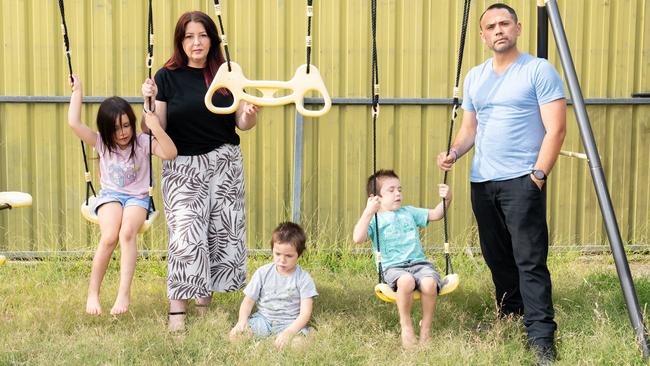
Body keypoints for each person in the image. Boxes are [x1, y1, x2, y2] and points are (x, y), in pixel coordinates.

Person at [436, 3, 566, 362]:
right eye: (491, 26)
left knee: (529, 260)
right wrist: (454, 152)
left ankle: (541, 339)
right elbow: (469, 130)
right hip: (483, 182)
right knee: (497, 258)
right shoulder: (475, 77)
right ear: (482, 35)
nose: (498, 30)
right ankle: (510, 319)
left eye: (504, 23)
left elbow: (556, 129)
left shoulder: (538, 70)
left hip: (522, 181)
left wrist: (537, 176)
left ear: (518, 28)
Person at [141, 11, 260, 332]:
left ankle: (205, 305)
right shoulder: (166, 77)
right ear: (181, 41)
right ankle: (177, 311)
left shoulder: (227, 73)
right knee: (186, 237)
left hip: (224, 163)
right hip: (182, 166)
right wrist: (148, 102)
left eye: (202, 35)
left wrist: (249, 112)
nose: (196, 42)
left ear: (212, 39)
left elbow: (242, 124)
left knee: (220, 234)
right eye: (189, 36)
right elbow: (156, 128)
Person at [67, 74, 177, 316]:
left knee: (127, 232)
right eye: (116, 128)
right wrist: (78, 92)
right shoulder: (102, 144)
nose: (123, 133)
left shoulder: (142, 142)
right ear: (107, 130)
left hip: (138, 198)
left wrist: (156, 126)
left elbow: (170, 153)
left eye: (126, 125)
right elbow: (74, 123)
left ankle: (123, 293)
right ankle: (93, 293)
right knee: (109, 237)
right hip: (110, 196)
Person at [352, 170, 452, 349]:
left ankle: (426, 330)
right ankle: (406, 326)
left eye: (399, 189)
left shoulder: (409, 212)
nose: (398, 193)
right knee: (406, 281)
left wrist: (447, 199)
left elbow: (437, 214)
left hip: (419, 264)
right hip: (393, 268)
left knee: (429, 284)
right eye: (391, 190)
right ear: (376, 197)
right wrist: (368, 212)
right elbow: (357, 238)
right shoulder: (374, 219)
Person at [229, 222, 318, 349]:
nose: (282, 260)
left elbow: (305, 313)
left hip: (290, 323)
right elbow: (248, 302)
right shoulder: (262, 273)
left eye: (288, 256)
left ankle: (308, 333)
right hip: (263, 320)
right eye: (277, 254)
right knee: (235, 336)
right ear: (272, 250)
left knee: (299, 346)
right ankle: (264, 343)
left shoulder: (304, 278)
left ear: (299, 254)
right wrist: (242, 321)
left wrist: (289, 332)